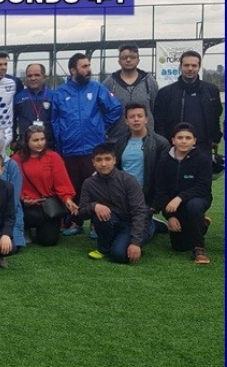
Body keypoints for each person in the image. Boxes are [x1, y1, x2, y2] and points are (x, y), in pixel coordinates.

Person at [52, 53, 122, 236]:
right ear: (73, 70)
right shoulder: (60, 93)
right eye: (84, 66)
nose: (88, 69)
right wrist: (61, 142)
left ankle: (95, 224)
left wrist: (101, 125)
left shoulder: (97, 88)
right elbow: (55, 122)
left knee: (95, 187)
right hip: (69, 150)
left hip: (93, 148)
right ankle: (74, 221)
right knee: (73, 188)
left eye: (89, 65)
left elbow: (115, 108)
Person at [79, 144, 152, 264]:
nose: (103, 164)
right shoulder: (88, 183)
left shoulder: (128, 180)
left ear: (114, 160)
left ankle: (153, 226)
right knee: (98, 214)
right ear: (93, 162)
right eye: (99, 160)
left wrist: (135, 243)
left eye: (107, 159)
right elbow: (82, 211)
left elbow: (139, 212)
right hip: (115, 221)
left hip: (134, 222)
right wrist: (94, 206)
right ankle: (104, 248)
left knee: (119, 255)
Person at [153, 123, 213, 264]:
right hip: (173, 206)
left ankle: (199, 249)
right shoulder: (164, 161)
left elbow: (203, 187)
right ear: (173, 140)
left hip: (198, 199)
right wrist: (170, 217)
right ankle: (201, 223)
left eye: (188, 138)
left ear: (194, 140)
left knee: (194, 206)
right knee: (179, 247)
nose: (184, 141)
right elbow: (161, 191)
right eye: (180, 138)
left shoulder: (203, 159)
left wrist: (180, 197)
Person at [12, 126, 78, 247]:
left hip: (48, 205)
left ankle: (41, 228)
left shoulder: (53, 157)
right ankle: (24, 227)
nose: (40, 143)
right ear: (26, 141)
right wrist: (23, 198)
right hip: (27, 205)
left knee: (48, 241)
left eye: (42, 139)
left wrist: (67, 199)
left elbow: (62, 182)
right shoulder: (17, 158)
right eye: (35, 140)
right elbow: (14, 183)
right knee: (30, 215)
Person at [113, 103, 170, 233]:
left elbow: (163, 177)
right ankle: (148, 221)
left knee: (137, 234)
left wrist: (155, 204)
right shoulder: (120, 143)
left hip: (146, 197)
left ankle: (151, 222)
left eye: (140, 116)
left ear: (146, 119)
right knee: (118, 230)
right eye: (132, 117)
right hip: (124, 196)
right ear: (126, 121)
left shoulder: (160, 143)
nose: (136, 119)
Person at [154, 50, 223, 153]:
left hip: (203, 147)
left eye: (194, 65)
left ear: (199, 67)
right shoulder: (165, 93)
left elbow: (216, 116)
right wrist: (165, 144)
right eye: (186, 65)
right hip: (175, 148)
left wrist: (215, 138)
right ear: (180, 67)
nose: (190, 68)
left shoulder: (211, 90)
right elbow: (159, 122)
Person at [102, 44, 159, 143]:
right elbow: (104, 110)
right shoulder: (109, 83)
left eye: (132, 57)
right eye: (124, 57)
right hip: (116, 140)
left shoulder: (149, 81)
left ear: (138, 60)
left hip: (146, 140)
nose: (128, 60)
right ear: (119, 61)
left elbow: (155, 108)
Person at [0, 130, 26, 249]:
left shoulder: (12, 166)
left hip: (9, 213)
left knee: (10, 247)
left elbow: (14, 199)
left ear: (2, 144)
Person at [13, 63, 56, 150]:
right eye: (30, 76)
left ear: (44, 77)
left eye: (37, 75)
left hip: (48, 146)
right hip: (25, 147)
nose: (33, 78)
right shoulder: (18, 97)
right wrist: (13, 140)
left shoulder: (53, 96)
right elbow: (11, 120)